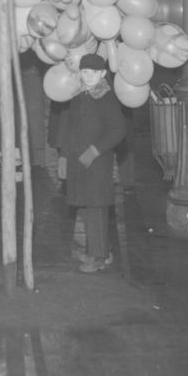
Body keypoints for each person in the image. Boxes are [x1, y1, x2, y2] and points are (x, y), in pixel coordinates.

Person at [63, 52, 127, 274]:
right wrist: (65, 155)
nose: (89, 76)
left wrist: (95, 151)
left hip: (97, 162)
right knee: (87, 205)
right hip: (79, 160)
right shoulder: (79, 95)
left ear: (102, 74)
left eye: (94, 72)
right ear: (79, 73)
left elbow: (118, 129)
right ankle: (102, 250)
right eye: (85, 71)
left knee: (96, 207)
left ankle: (97, 257)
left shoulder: (106, 98)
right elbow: (70, 127)